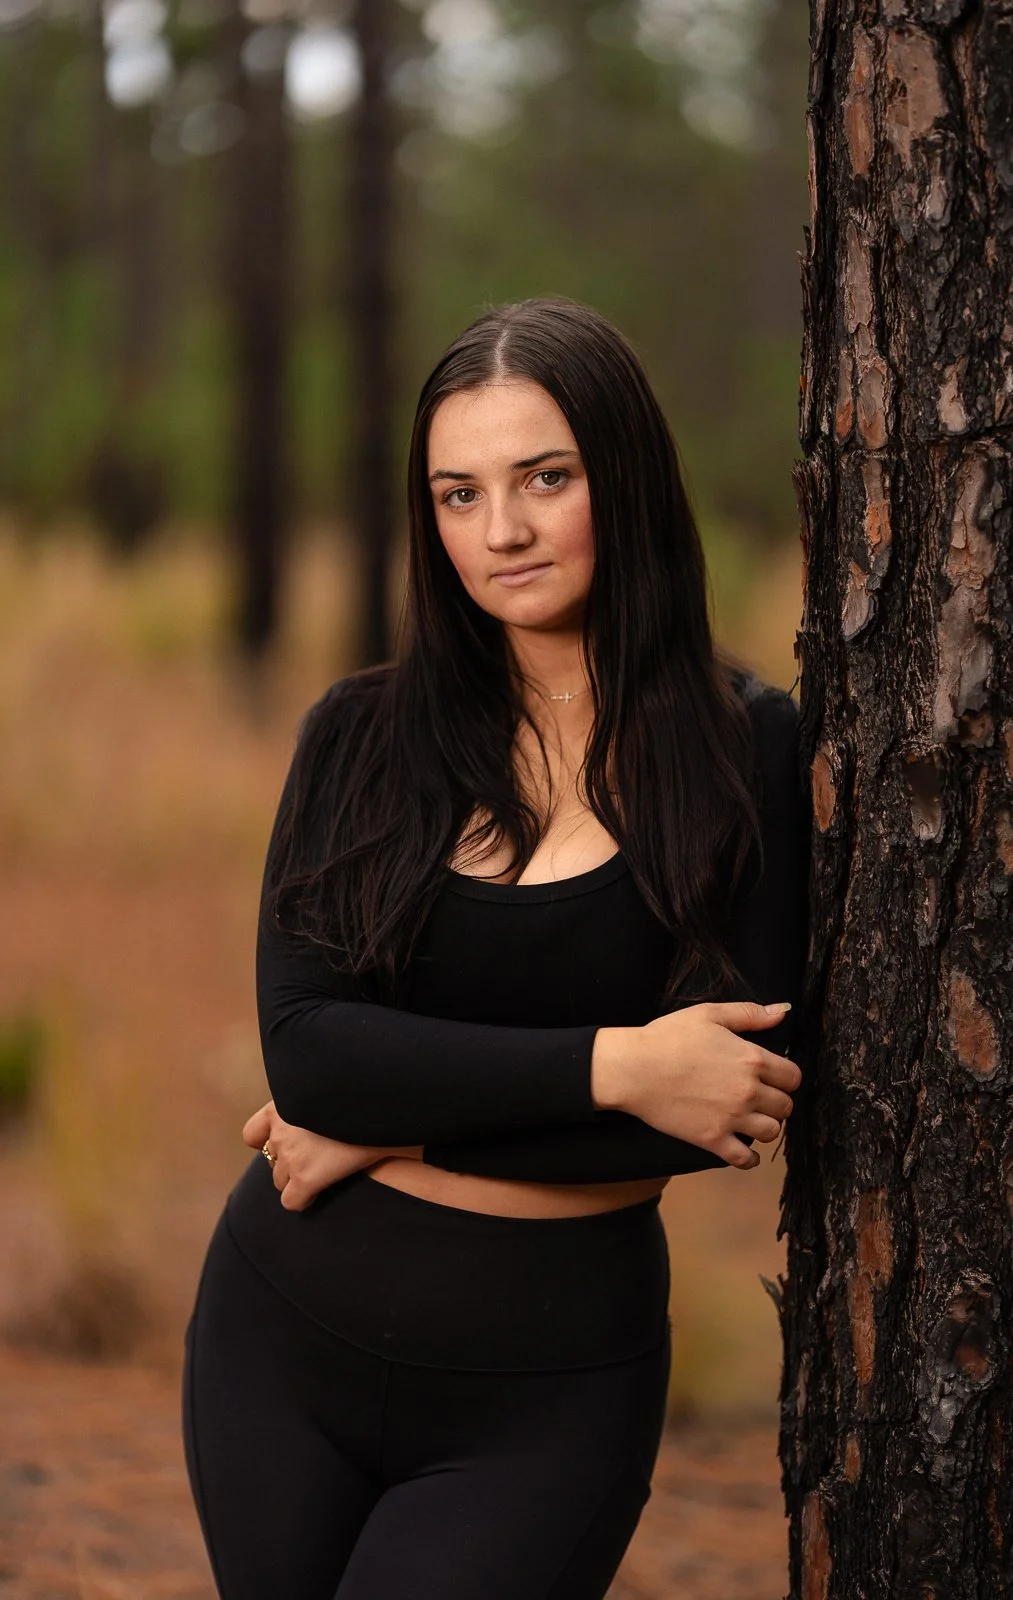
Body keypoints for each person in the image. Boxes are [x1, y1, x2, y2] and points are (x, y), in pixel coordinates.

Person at [181, 295, 811, 1600]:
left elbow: (715, 1104)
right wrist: (613, 1065)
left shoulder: (745, 749)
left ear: (620, 478)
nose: (502, 531)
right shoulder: (356, 737)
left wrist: (394, 1123)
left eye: (544, 478)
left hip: (544, 1391)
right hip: (279, 1341)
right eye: (458, 494)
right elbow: (312, 1058)